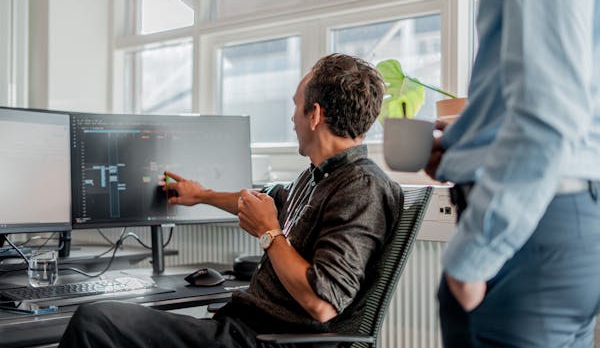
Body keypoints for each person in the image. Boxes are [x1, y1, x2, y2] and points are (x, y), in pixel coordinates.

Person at [58, 53, 403, 348]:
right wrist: (201, 195)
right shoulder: (319, 175)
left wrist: (269, 233)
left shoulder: (362, 188)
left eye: (295, 106)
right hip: (243, 330)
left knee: (95, 320)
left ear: (314, 115)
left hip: (259, 340)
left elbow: (323, 303)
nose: (291, 119)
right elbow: (262, 201)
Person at [426, 0, 600, 347]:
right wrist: (465, 142)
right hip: (568, 220)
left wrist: (473, 259)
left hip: (529, 233)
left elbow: (550, 112)